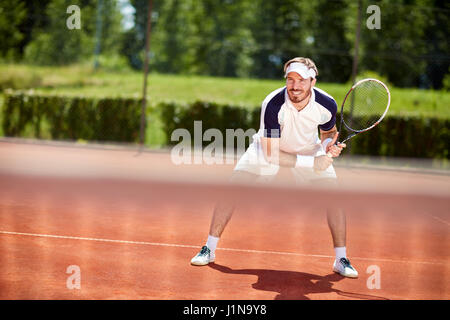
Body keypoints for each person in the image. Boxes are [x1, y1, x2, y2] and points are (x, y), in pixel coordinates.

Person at [190, 57, 358, 278]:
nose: (295, 86)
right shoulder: (273, 103)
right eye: (290, 79)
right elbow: (271, 154)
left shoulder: (327, 104)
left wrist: (328, 147)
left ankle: (341, 259)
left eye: (301, 80)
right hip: (268, 149)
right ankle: (209, 249)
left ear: (313, 82)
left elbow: (327, 132)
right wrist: (312, 163)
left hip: (309, 149)